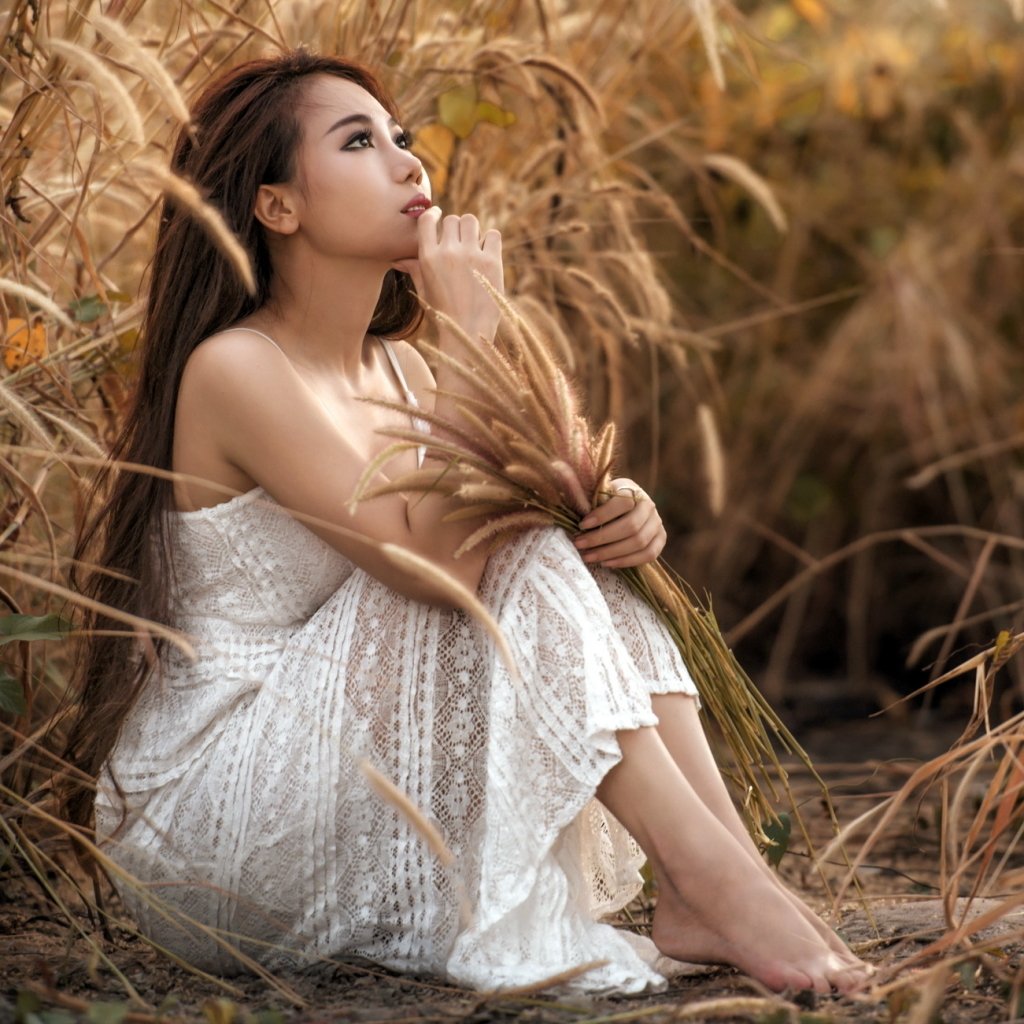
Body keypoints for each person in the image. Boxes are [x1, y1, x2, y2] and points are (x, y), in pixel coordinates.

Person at [64, 50, 871, 996]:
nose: (411, 163)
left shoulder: (399, 372)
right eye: (359, 142)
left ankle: (723, 883)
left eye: (404, 137)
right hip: (212, 819)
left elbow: (524, 511)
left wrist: (615, 512)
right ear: (276, 206)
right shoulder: (238, 370)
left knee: (550, 532)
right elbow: (431, 568)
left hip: (338, 776)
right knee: (511, 538)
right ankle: (714, 882)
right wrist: (470, 336)